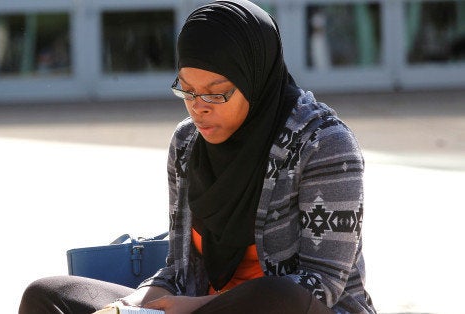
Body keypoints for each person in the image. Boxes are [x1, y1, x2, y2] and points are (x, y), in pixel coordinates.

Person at [19, 0, 375, 313]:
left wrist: (195, 308)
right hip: (196, 305)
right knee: (48, 295)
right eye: (187, 91)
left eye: (215, 94)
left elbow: (322, 285)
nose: (198, 109)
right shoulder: (188, 142)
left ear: (255, 80)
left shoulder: (324, 144)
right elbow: (178, 270)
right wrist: (131, 306)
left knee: (276, 296)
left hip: (286, 308)